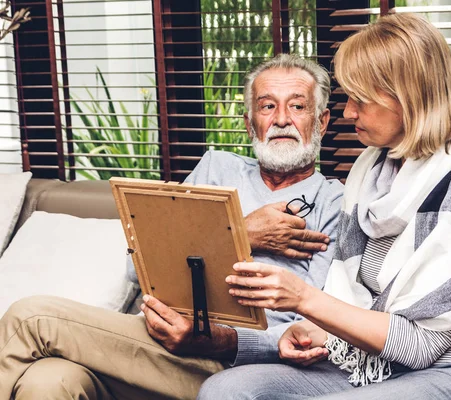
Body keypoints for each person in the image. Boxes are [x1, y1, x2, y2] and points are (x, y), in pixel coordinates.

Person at [198, 13, 451, 400]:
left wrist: (302, 298)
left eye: (360, 99)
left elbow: (420, 346)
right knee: (225, 391)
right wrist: (314, 330)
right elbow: (363, 301)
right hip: (369, 364)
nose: (348, 112)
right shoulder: (371, 169)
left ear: (410, 98)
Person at [0, 54, 343, 400]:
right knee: (48, 381)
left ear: (322, 121)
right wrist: (242, 231)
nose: (281, 119)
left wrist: (216, 339)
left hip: (236, 364)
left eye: (298, 106)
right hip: (155, 339)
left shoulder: (334, 202)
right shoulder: (216, 169)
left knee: (30, 316)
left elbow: (318, 326)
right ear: (249, 122)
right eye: (267, 106)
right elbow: (138, 267)